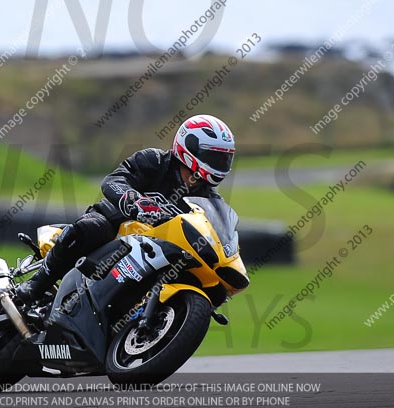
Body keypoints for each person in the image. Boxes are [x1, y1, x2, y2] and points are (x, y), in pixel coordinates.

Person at [16, 114, 236, 303]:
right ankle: (38, 283)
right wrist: (136, 202)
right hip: (116, 228)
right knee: (91, 228)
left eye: (224, 158)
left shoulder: (208, 199)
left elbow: (214, 233)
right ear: (190, 147)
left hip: (158, 250)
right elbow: (113, 181)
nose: (219, 163)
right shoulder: (155, 161)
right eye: (213, 156)